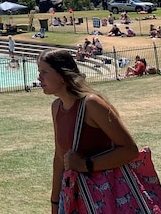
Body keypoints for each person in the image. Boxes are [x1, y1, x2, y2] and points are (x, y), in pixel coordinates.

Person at [37, 49, 140, 213]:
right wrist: (55, 203)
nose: (39, 78)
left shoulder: (92, 104)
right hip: (71, 196)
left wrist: (85, 165)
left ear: (62, 75)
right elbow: (59, 157)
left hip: (103, 198)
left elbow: (130, 150)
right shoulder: (56, 107)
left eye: (44, 72)